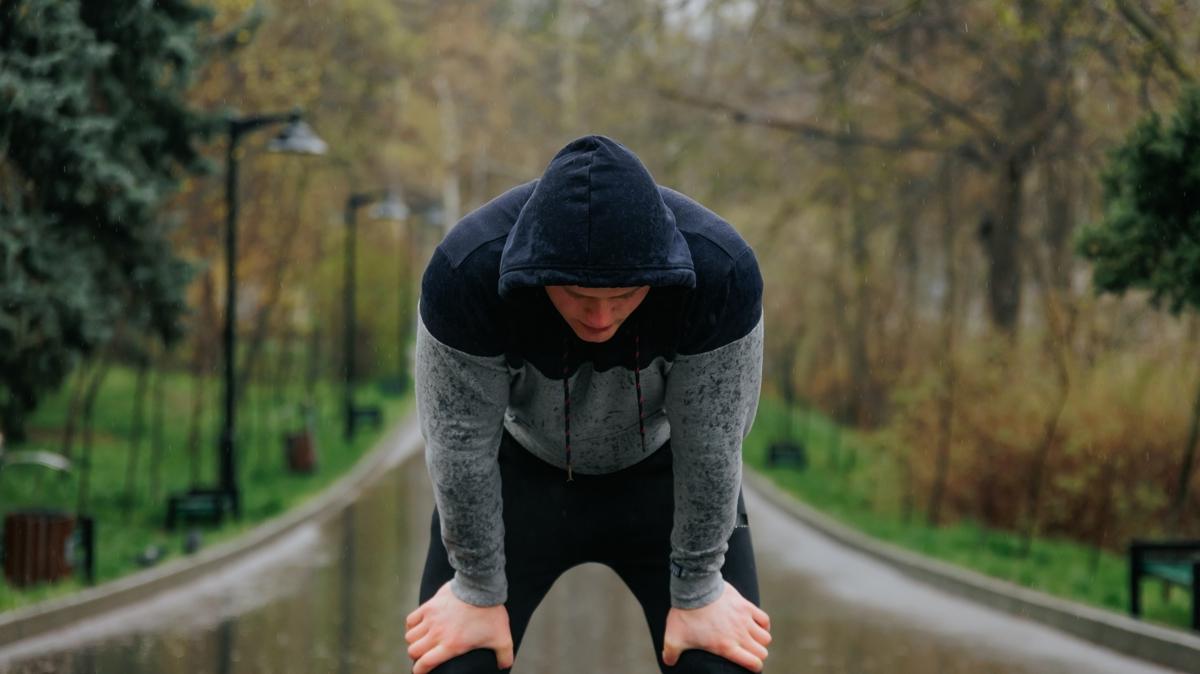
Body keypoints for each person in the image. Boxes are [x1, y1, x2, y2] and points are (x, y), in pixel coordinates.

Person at [406, 135, 769, 673]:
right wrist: (477, 586)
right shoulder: (467, 272)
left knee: (718, 662)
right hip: (518, 478)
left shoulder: (720, 272)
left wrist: (697, 588)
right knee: (456, 662)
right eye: (578, 296)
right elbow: (457, 443)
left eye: (622, 298)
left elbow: (714, 446)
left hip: (665, 481)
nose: (600, 319)